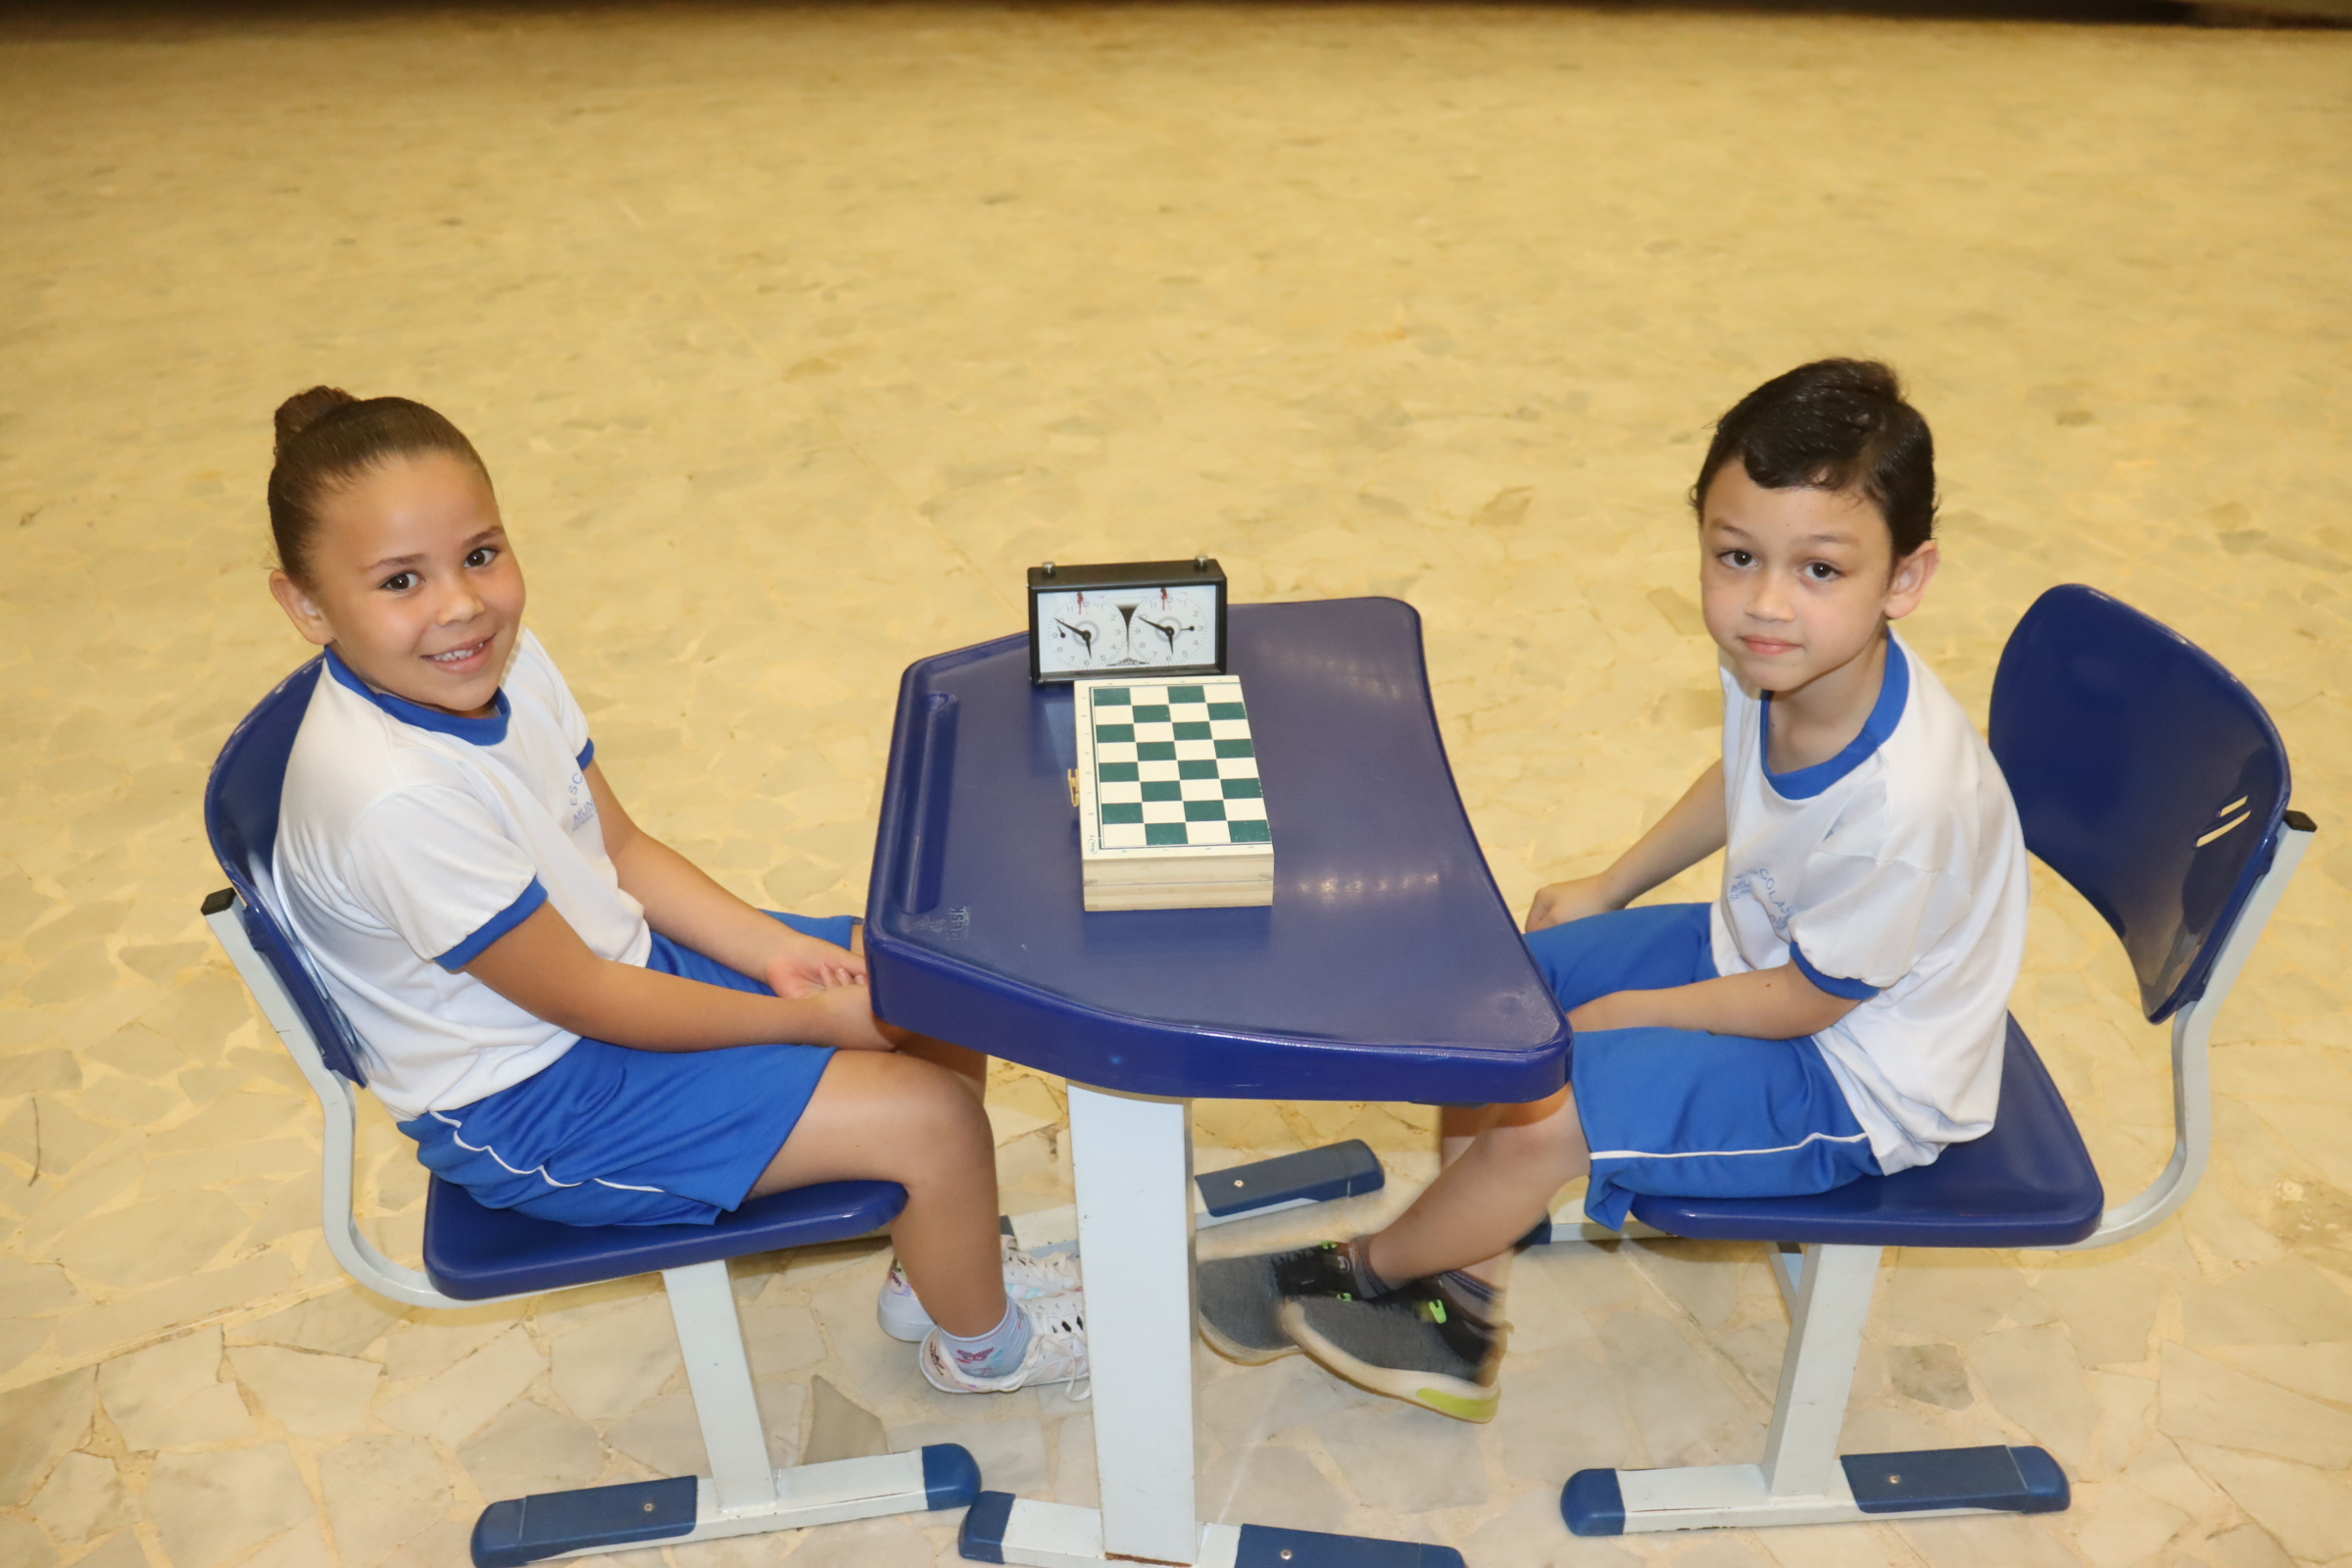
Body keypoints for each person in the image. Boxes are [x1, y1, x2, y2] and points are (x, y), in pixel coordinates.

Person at [1198, 360, 2028, 1422]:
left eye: (1820, 569)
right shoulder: (1782, 664)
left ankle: (1373, 1271)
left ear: (1904, 581)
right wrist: (1612, 883)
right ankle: (1466, 1287)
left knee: (1551, 1107)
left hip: (1859, 1075)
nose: (1765, 603)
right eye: (1737, 557)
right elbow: (1743, 781)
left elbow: (1809, 1003)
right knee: (1495, 1001)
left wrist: (1631, 1012)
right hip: (1758, 955)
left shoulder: (1907, 804)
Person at [258, 387, 1084, 1396]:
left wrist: (773, 957)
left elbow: (622, 848)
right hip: (529, 1099)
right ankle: (985, 1349)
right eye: (400, 580)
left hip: (614, 973)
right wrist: (805, 1019)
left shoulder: (497, 661)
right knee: (932, 1115)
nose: (462, 605)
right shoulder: (391, 798)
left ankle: (939, 1266)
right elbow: (587, 1002)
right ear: (304, 606)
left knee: (927, 977)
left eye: (480, 554)